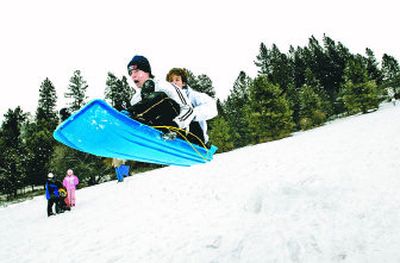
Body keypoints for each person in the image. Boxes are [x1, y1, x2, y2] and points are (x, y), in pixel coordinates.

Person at [125, 55, 195, 135]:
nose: (133, 76)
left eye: (136, 71)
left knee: (158, 95)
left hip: (175, 127)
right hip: (152, 126)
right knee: (144, 96)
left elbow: (189, 109)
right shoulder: (135, 99)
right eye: (130, 73)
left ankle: (128, 113)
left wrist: (176, 124)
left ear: (147, 71)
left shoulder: (165, 86)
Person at [166, 68, 218, 144]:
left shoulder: (193, 96)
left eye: (177, 80)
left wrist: (190, 115)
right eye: (171, 81)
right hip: (175, 129)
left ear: (183, 83)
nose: (173, 83)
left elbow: (212, 107)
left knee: (185, 111)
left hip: (194, 135)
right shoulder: (168, 97)